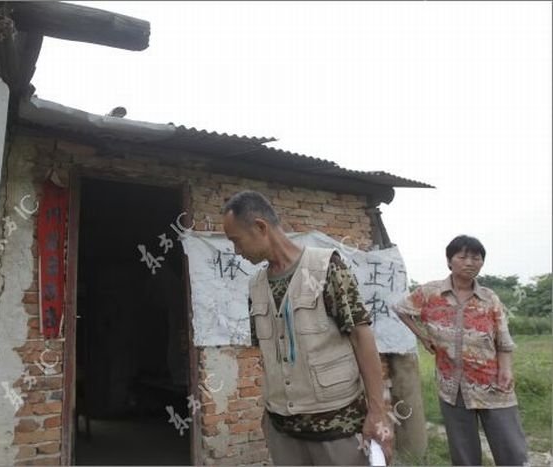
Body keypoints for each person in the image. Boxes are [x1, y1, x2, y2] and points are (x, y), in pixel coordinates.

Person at [221, 190, 393, 466]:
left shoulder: (326, 267)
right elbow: (270, 355)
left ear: (260, 227)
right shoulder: (256, 286)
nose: (236, 251)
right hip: (284, 434)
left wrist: (377, 412)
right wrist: (269, 415)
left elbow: (362, 337)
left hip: (338, 432)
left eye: (236, 241)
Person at [393, 235, 528, 466]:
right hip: (452, 386)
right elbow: (400, 309)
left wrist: (506, 370)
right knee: (464, 454)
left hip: (492, 384)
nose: (469, 262)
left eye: (476, 257)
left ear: (482, 263)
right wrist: (423, 337)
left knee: (511, 450)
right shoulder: (429, 293)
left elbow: (504, 340)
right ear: (449, 261)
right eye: (462, 256)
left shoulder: (489, 298)